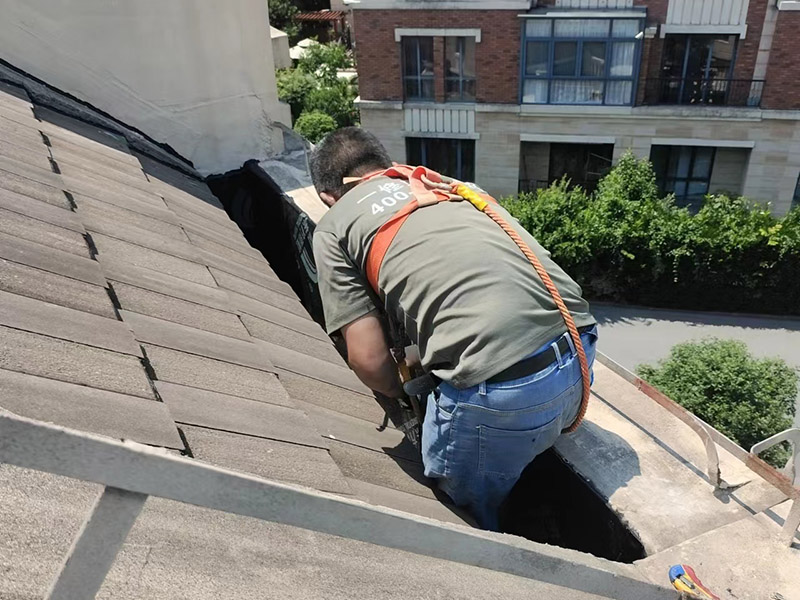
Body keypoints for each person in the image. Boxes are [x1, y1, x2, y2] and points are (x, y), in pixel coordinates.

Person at [310, 127, 597, 530]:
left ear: (328, 197)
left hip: (503, 395)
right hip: (581, 355)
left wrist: (403, 393)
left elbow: (368, 360)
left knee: (466, 514)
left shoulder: (334, 227)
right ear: (386, 165)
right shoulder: (445, 184)